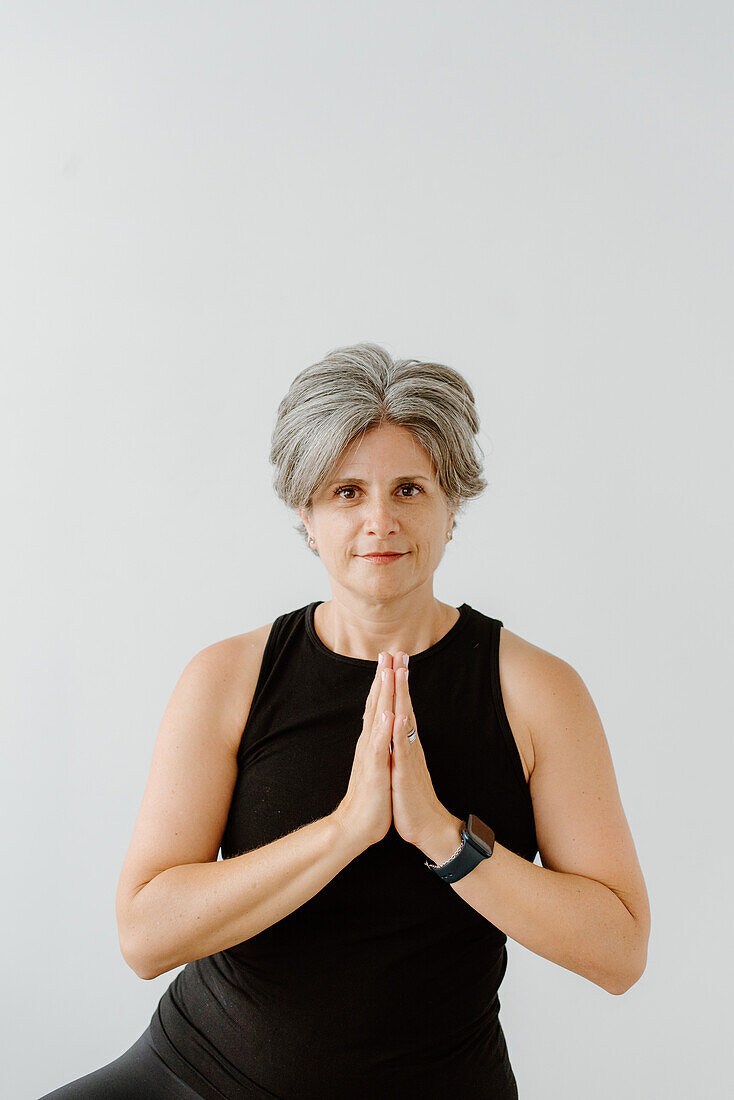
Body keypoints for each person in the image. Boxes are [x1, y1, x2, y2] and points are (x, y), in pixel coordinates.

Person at [41, 342, 650, 1099]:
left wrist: (438, 834)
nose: (379, 522)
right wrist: (346, 830)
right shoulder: (228, 678)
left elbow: (619, 950)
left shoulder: (536, 691)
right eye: (346, 492)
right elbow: (145, 937)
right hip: (200, 1074)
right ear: (306, 514)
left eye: (408, 489)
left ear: (452, 505)